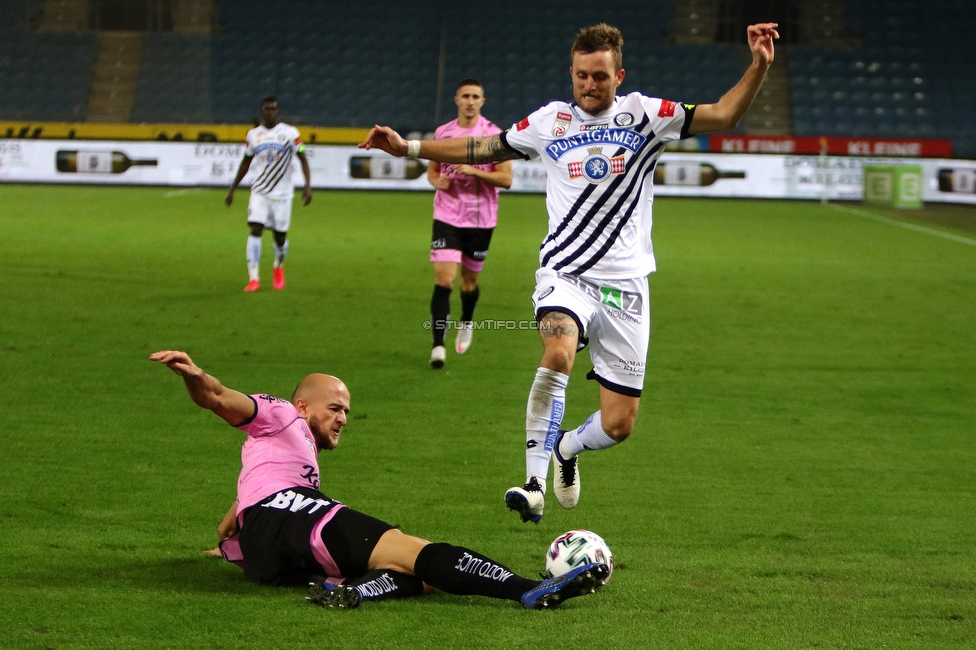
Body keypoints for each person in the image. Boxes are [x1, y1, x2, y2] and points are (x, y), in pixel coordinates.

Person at [358, 23, 779, 523]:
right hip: (565, 275)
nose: (589, 85)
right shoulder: (549, 121)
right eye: (581, 75)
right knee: (557, 351)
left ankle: (566, 449)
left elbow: (725, 113)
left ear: (619, 75)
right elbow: (483, 148)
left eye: (599, 76)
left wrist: (758, 65)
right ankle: (533, 483)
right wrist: (408, 148)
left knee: (619, 425)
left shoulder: (648, 115)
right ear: (572, 74)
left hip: (626, 287)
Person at [149, 350, 609, 609]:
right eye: (335, 408)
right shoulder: (281, 413)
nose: (344, 418)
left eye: (347, 411)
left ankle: (353, 590)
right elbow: (216, 397)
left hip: (267, 552)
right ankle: (528, 589)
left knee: (423, 575)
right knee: (419, 551)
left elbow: (249, 499)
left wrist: (232, 526)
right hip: (290, 515)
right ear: (304, 406)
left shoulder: (286, 448)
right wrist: (195, 375)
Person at [426, 79, 513, 369]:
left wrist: (475, 172)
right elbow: (433, 170)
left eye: (476, 96)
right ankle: (438, 346)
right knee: (444, 279)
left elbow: (506, 179)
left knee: (468, 282)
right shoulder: (443, 133)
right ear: (457, 100)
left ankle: (466, 320)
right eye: (465, 96)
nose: (470, 101)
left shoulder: (494, 136)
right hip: (447, 215)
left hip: (481, 219)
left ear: (482, 101)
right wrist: (438, 181)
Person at [226, 97, 313, 292]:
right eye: (267, 109)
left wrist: (307, 186)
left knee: (280, 237)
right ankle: (254, 278)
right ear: (261, 112)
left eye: (274, 109)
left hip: (282, 195)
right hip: (259, 192)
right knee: (255, 229)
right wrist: (232, 189)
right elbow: (246, 162)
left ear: (278, 112)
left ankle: (278, 266)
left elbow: (303, 157)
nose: (270, 112)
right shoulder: (253, 135)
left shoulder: (291, 134)